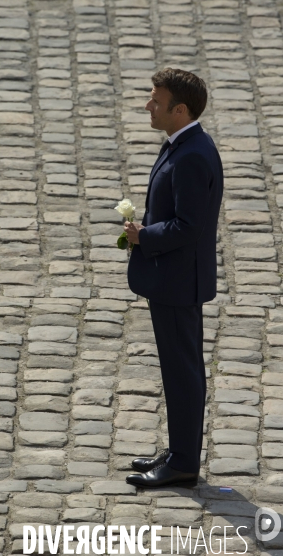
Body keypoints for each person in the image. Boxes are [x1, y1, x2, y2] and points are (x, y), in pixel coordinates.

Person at [124, 68, 223, 488]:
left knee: (183, 372)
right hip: (174, 279)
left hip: (179, 282)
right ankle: (179, 450)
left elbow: (189, 226)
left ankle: (183, 462)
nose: (148, 105)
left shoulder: (192, 154)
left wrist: (144, 236)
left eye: (156, 101)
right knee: (177, 369)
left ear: (180, 110)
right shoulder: (181, 144)